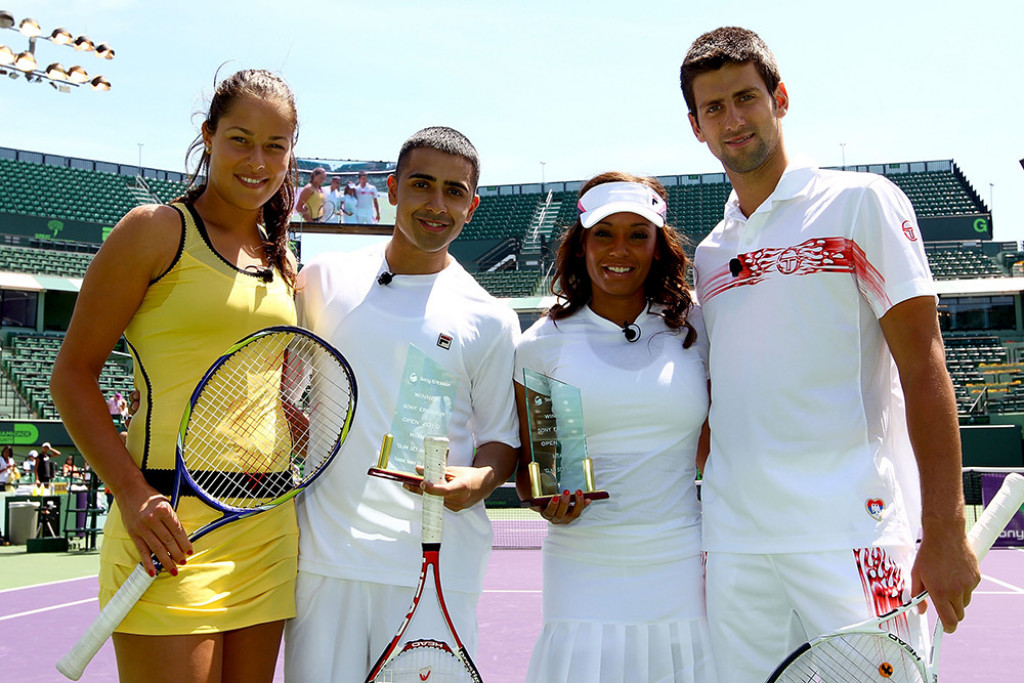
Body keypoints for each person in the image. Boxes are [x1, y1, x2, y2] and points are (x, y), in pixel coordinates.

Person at [678, 26, 980, 680]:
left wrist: (945, 529)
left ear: (780, 99)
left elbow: (924, 365)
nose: (733, 119)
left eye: (746, 98)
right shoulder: (709, 255)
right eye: (714, 108)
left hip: (852, 534)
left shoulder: (861, 202)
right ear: (696, 127)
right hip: (736, 545)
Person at [50, 69, 302, 683]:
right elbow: (72, 375)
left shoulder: (282, 260)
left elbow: (267, 390)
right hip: (166, 529)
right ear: (208, 136)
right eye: (240, 139)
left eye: (275, 146)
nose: (258, 161)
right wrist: (132, 495)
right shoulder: (154, 231)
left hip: (267, 529)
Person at [285, 126, 520, 680]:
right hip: (325, 564)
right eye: (421, 184)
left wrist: (478, 481)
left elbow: (501, 442)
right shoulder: (322, 279)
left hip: (436, 568)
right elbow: (284, 399)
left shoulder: (490, 318)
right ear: (392, 189)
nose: (437, 204)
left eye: (454, 192)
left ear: (471, 207)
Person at [514, 172, 717, 682]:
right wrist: (546, 500)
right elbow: (536, 468)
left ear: (657, 247)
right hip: (582, 562)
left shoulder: (696, 328)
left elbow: (716, 451)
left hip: (682, 557)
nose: (619, 249)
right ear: (582, 244)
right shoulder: (539, 344)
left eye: (637, 234)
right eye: (604, 233)